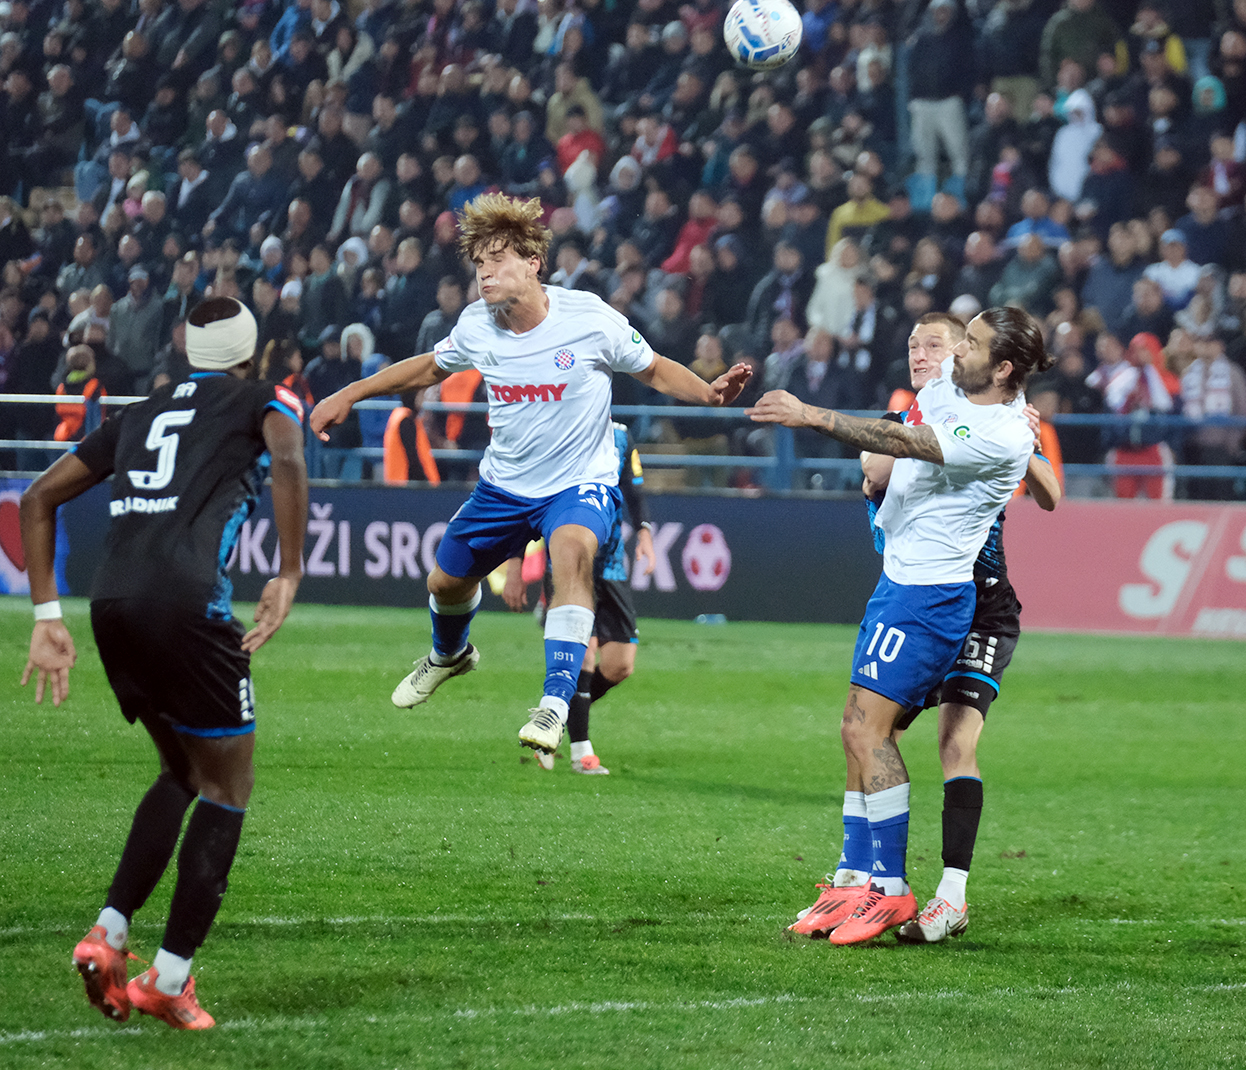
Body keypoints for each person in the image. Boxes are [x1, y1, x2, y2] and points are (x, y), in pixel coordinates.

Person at [309, 193, 751, 760]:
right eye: (478, 264)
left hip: (579, 482)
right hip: (505, 486)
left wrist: (709, 392)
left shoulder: (588, 318)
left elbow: (656, 368)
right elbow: (426, 367)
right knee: (444, 584)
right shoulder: (477, 325)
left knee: (571, 555)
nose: (485, 273)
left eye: (497, 259)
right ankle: (450, 655)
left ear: (533, 262)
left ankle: (554, 702)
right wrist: (351, 392)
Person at [20, 297, 308, 1029]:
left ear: (189, 349)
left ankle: (109, 934)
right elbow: (290, 455)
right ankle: (169, 978)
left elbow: (38, 496)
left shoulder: (141, 411)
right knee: (228, 787)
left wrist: (46, 615)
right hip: (188, 607)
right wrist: (289, 572)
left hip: (111, 604)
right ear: (253, 352)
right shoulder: (264, 399)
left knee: (182, 770)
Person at [749, 306, 1045, 945]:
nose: (953, 352)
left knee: (876, 734)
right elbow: (907, 431)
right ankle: (855, 878)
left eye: (969, 344)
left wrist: (811, 416)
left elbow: (910, 443)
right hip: (898, 584)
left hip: (933, 597)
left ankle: (892, 889)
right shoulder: (947, 389)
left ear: (1003, 368)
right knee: (855, 730)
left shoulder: (1005, 433)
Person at [855, 312, 1061, 943]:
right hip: (924, 594)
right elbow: (875, 475)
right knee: (868, 731)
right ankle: (861, 878)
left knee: (953, 744)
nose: (925, 356)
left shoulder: (1000, 418)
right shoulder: (922, 409)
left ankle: (950, 895)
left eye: (939, 345)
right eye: (914, 346)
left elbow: (1052, 493)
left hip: (983, 603)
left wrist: (1027, 445)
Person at [501, 421, 656, 775]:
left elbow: (634, 492)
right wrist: (514, 568)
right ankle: (581, 754)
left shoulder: (620, 435)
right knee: (582, 654)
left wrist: (645, 533)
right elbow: (524, 507)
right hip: (569, 564)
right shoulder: (553, 432)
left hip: (612, 564)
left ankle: (553, 717)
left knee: (620, 664)